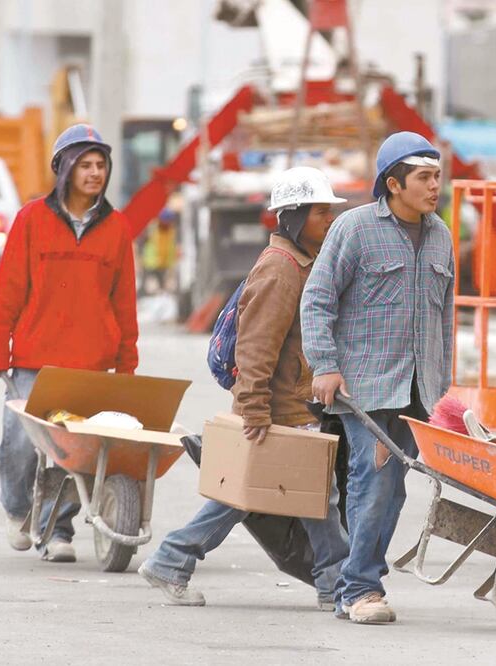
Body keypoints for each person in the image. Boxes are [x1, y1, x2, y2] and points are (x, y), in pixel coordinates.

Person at [138, 167, 350, 609]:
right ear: (293, 217)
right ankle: (173, 558)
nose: (329, 220)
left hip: (289, 405)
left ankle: (334, 584)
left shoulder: (298, 264)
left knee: (300, 496)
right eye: (321, 212)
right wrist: (254, 411)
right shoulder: (281, 271)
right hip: (277, 409)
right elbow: (256, 347)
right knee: (279, 497)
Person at [301, 132, 455, 624]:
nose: (435, 187)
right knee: (372, 482)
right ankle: (360, 588)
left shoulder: (441, 236)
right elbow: (318, 298)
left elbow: (444, 315)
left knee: (393, 489)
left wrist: (443, 381)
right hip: (366, 386)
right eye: (424, 178)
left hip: (418, 388)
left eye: (437, 176)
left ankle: (354, 581)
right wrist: (324, 365)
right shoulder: (355, 229)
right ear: (394, 183)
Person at [0, 124, 139, 563]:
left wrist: (126, 363)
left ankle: (58, 532)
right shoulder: (31, 220)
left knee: (76, 453)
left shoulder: (117, 227)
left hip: (91, 365)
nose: (94, 173)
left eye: (101, 165)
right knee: (18, 443)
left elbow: (124, 301)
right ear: (64, 169)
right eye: (85, 165)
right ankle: (18, 509)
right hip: (34, 362)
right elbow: (8, 291)